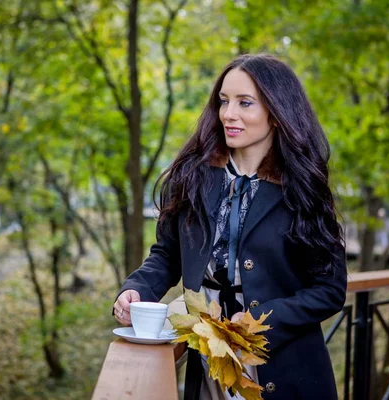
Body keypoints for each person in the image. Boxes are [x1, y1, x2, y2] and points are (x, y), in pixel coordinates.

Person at [112, 53, 347, 400]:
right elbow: (167, 255)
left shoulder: (302, 188)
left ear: (277, 114)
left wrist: (256, 321)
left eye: (245, 103)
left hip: (287, 369)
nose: (228, 114)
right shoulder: (193, 176)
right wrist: (137, 289)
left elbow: (328, 290)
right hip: (209, 366)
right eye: (224, 101)